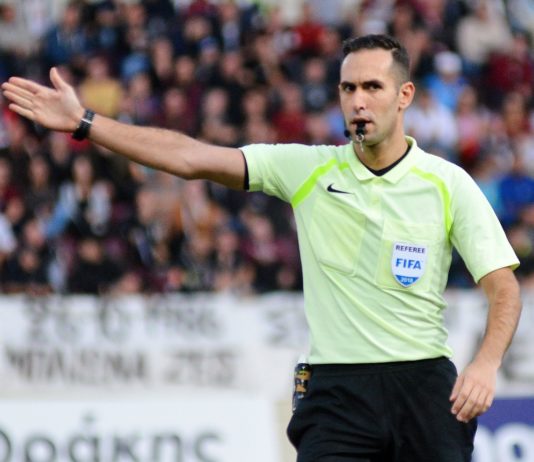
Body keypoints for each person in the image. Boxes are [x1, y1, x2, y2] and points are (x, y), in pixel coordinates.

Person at [1, 34, 522, 461]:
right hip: (337, 391)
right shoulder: (307, 169)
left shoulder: (447, 184)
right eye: (347, 88)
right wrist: (86, 123)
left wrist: (485, 364)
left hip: (424, 383)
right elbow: (191, 158)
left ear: (404, 95)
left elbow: (503, 287)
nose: (358, 100)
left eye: (372, 87)